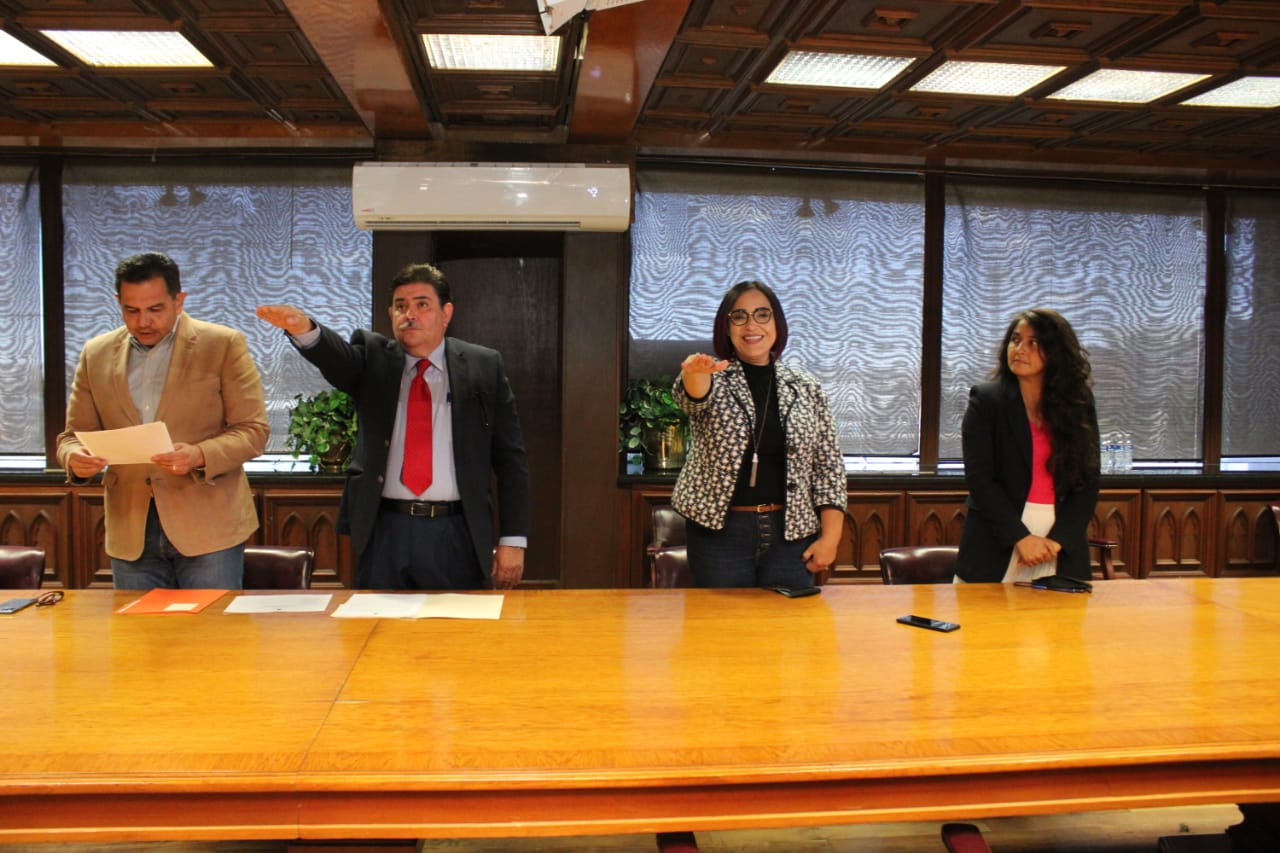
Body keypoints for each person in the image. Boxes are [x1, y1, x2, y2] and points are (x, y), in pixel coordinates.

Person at [256, 262, 529, 590]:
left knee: (455, 622)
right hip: (385, 529)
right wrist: (304, 329)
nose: (409, 314)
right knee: (377, 620)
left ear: (446, 313)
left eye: (422, 305)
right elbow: (337, 358)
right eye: (401, 306)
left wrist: (513, 539)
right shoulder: (373, 359)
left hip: (457, 530)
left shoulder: (483, 366)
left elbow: (511, 459)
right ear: (390, 314)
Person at [56, 252, 269, 590]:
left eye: (155, 309)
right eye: (131, 310)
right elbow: (72, 437)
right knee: (138, 627)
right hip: (131, 529)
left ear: (178, 300)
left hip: (209, 526)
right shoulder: (96, 353)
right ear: (118, 302)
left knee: (211, 625)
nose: (144, 322)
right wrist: (74, 458)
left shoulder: (222, 344)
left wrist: (199, 455)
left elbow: (253, 431)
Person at [671, 280, 847, 590]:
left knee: (789, 620)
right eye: (739, 316)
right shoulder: (713, 377)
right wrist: (693, 373)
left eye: (762, 314)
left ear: (777, 323)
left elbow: (828, 467)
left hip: (791, 533)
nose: (751, 325)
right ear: (727, 328)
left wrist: (831, 538)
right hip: (720, 534)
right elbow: (693, 399)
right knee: (723, 620)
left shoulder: (806, 386)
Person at [956, 307, 1100, 584]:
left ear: (1056, 352)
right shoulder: (987, 400)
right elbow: (980, 479)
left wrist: (1058, 540)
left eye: (1033, 343)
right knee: (985, 613)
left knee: (1059, 614)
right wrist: (1020, 537)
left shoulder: (1078, 403)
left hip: (1058, 541)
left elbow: (1088, 479)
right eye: (1016, 340)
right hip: (998, 539)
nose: (1020, 349)